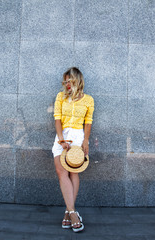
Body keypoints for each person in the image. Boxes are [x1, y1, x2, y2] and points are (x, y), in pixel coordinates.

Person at [51, 67, 94, 233]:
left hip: (77, 137)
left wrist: (86, 141)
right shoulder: (60, 97)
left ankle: (69, 213)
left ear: (78, 80)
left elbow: (88, 122)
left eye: (71, 80)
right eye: (66, 81)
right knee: (61, 171)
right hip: (62, 136)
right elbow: (57, 119)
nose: (68, 84)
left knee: (74, 172)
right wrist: (61, 140)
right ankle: (73, 212)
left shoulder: (89, 100)